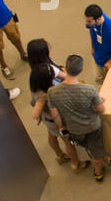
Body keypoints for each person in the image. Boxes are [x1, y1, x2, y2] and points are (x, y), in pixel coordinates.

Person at [46, 54, 111, 182]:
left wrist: (61, 127)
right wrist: (99, 102)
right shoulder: (89, 90)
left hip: (73, 128)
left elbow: (55, 114)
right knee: (95, 150)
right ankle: (98, 172)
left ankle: (106, 159)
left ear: (65, 68)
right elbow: (101, 110)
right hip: (91, 126)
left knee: (88, 147)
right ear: (81, 70)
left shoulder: (52, 92)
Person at [27, 39, 81, 170]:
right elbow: (66, 77)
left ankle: (60, 155)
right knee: (68, 140)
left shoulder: (34, 73)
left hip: (47, 119)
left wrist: (39, 113)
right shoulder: (48, 69)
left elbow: (35, 111)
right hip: (57, 117)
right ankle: (77, 164)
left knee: (52, 135)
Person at [83, 4, 111, 84]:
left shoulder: (110, 31)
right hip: (97, 56)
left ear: (98, 19)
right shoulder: (93, 21)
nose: (86, 23)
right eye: (86, 20)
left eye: (89, 21)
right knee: (99, 79)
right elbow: (91, 31)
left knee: (108, 82)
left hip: (107, 60)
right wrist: (93, 47)